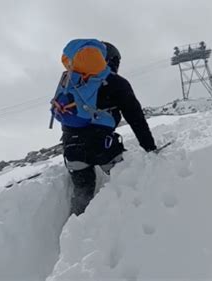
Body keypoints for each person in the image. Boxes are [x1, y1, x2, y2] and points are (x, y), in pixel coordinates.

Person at [50, 39, 157, 216]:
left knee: (82, 194)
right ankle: (127, 223)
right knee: (126, 182)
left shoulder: (71, 81)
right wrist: (150, 147)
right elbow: (136, 118)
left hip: (72, 148)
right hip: (102, 147)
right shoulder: (116, 82)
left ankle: (76, 233)